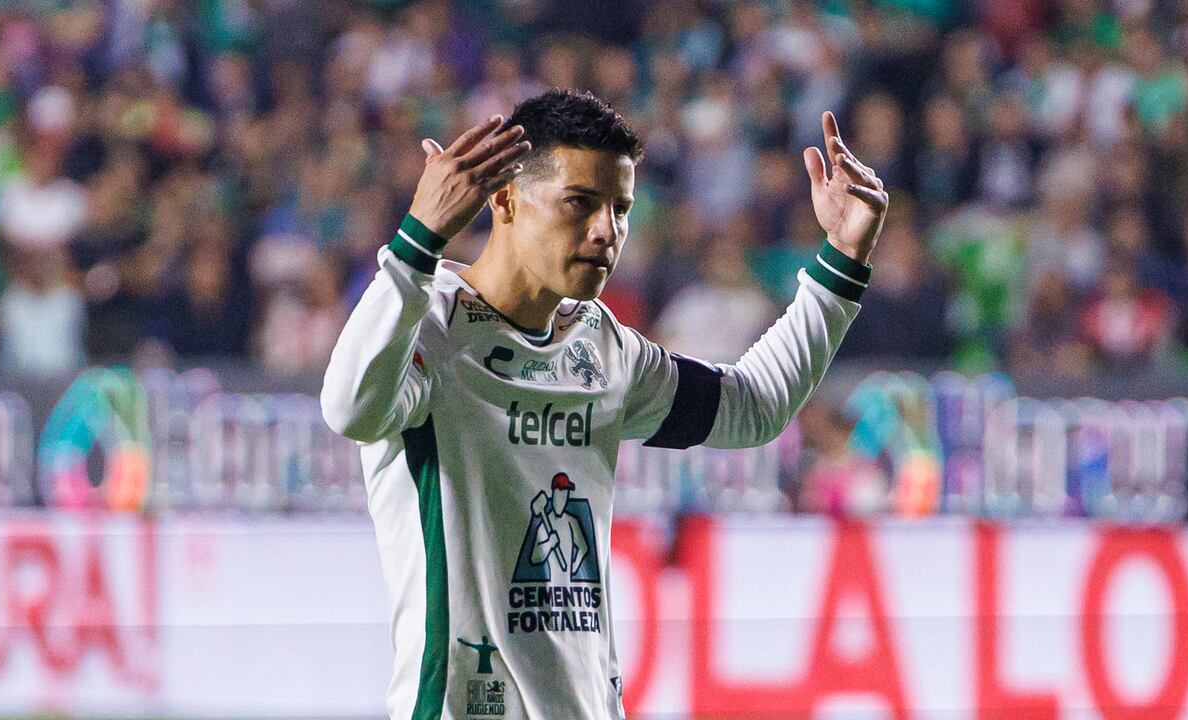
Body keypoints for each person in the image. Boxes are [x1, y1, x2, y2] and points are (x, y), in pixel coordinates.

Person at [320, 89, 887, 719]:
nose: (606, 232)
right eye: (579, 203)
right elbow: (349, 409)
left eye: (620, 209)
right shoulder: (425, 328)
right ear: (504, 199)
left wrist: (842, 261)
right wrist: (416, 242)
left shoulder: (598, 344)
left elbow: (750, 406)